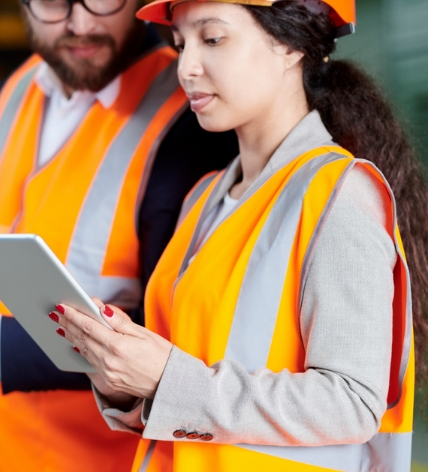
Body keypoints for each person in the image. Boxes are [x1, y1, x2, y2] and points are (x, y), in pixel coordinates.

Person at [54, 0, 428, 470]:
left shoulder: (340, 196)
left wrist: (168, 378)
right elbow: (187, 384)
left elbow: (351, 404)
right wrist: (123, 375)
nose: (186, 67)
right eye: (180, 44)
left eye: (212, 39)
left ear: (290, 44)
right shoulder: (203, 197)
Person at [0, 0, 238, 470]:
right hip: (1, 450)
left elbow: (175, 334)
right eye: (54, 2)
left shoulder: (192, 113)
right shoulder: (16, 91)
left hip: (107, 459)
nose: (81, 23)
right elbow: (13, 237)